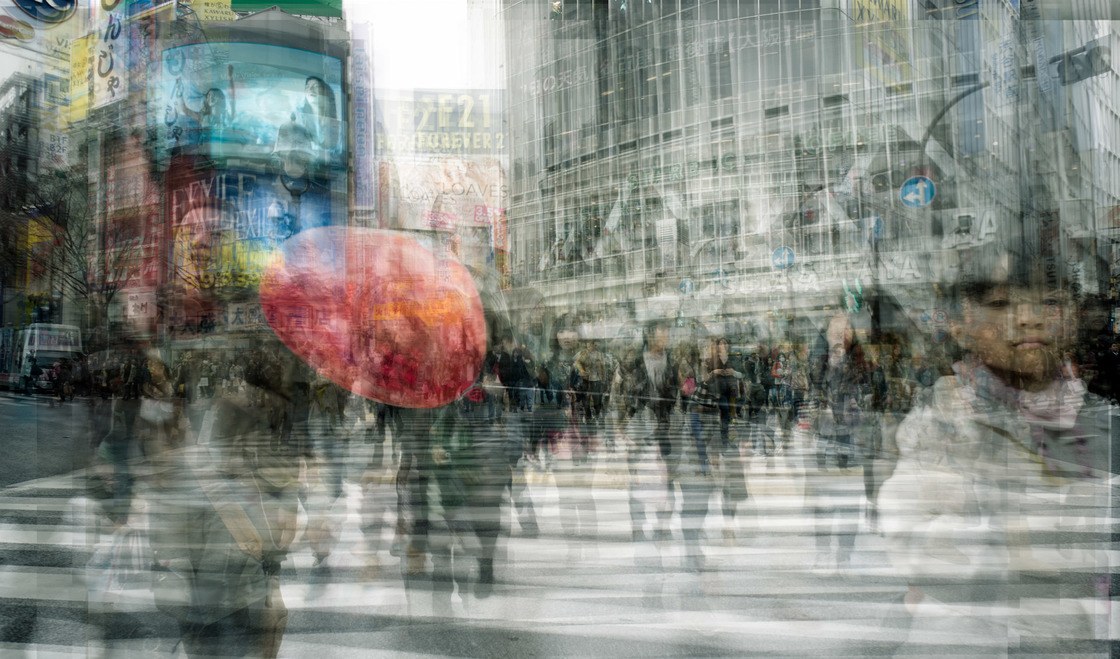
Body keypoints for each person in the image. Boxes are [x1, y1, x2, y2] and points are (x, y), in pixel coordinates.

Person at [879, 244, 1114, 653]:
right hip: (963, 637)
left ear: (1073, 316)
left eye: (1051, 301)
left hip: (1066, 636)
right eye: (1003, 304)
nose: (1029, 318)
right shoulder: (941, 419)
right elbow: (910, 538)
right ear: (963, 323)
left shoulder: (1097, 419)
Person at [618, 320, 679, 543]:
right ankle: (637, 524)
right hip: (638, 427)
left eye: (667, 333)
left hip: (664, 426)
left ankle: (663, 524)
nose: (666, 337)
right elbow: (621, 392)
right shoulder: (633, 361)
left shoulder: (672, 361)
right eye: (663, 332)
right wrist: (622, 423)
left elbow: (677, 393)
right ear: (650, 335)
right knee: (637, 477)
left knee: (666, 478)